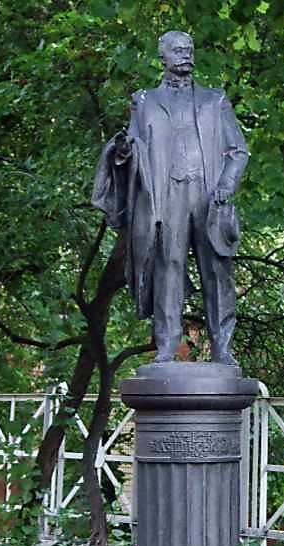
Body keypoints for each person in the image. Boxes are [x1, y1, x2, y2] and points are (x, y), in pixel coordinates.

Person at [92, 30, 249, 365]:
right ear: (162, 56)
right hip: (167, 195)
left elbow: (237, 150)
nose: (186, 55)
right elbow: (133, 147)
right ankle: (165, 346)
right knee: (168, 267)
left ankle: (222, 348)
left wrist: (226, 185)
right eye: (178, 50)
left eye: (189, 49)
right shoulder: (145, 101)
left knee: (217, 271)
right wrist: (122, 151)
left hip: (209, 196)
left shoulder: (215, 100)